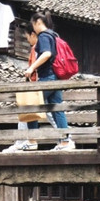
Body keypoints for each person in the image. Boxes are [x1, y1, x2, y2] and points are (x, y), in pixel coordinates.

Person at [22, 12, 75, 152]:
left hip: (48, 77)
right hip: (56, 77)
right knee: (57, 108)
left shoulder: (44, 36)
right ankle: (65, 141)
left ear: (38, 22)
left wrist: (32, 67)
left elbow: (47, 54)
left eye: (33, 24)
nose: (33, 28)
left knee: (30, 105)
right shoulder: (54, 35)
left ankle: (32, 140)